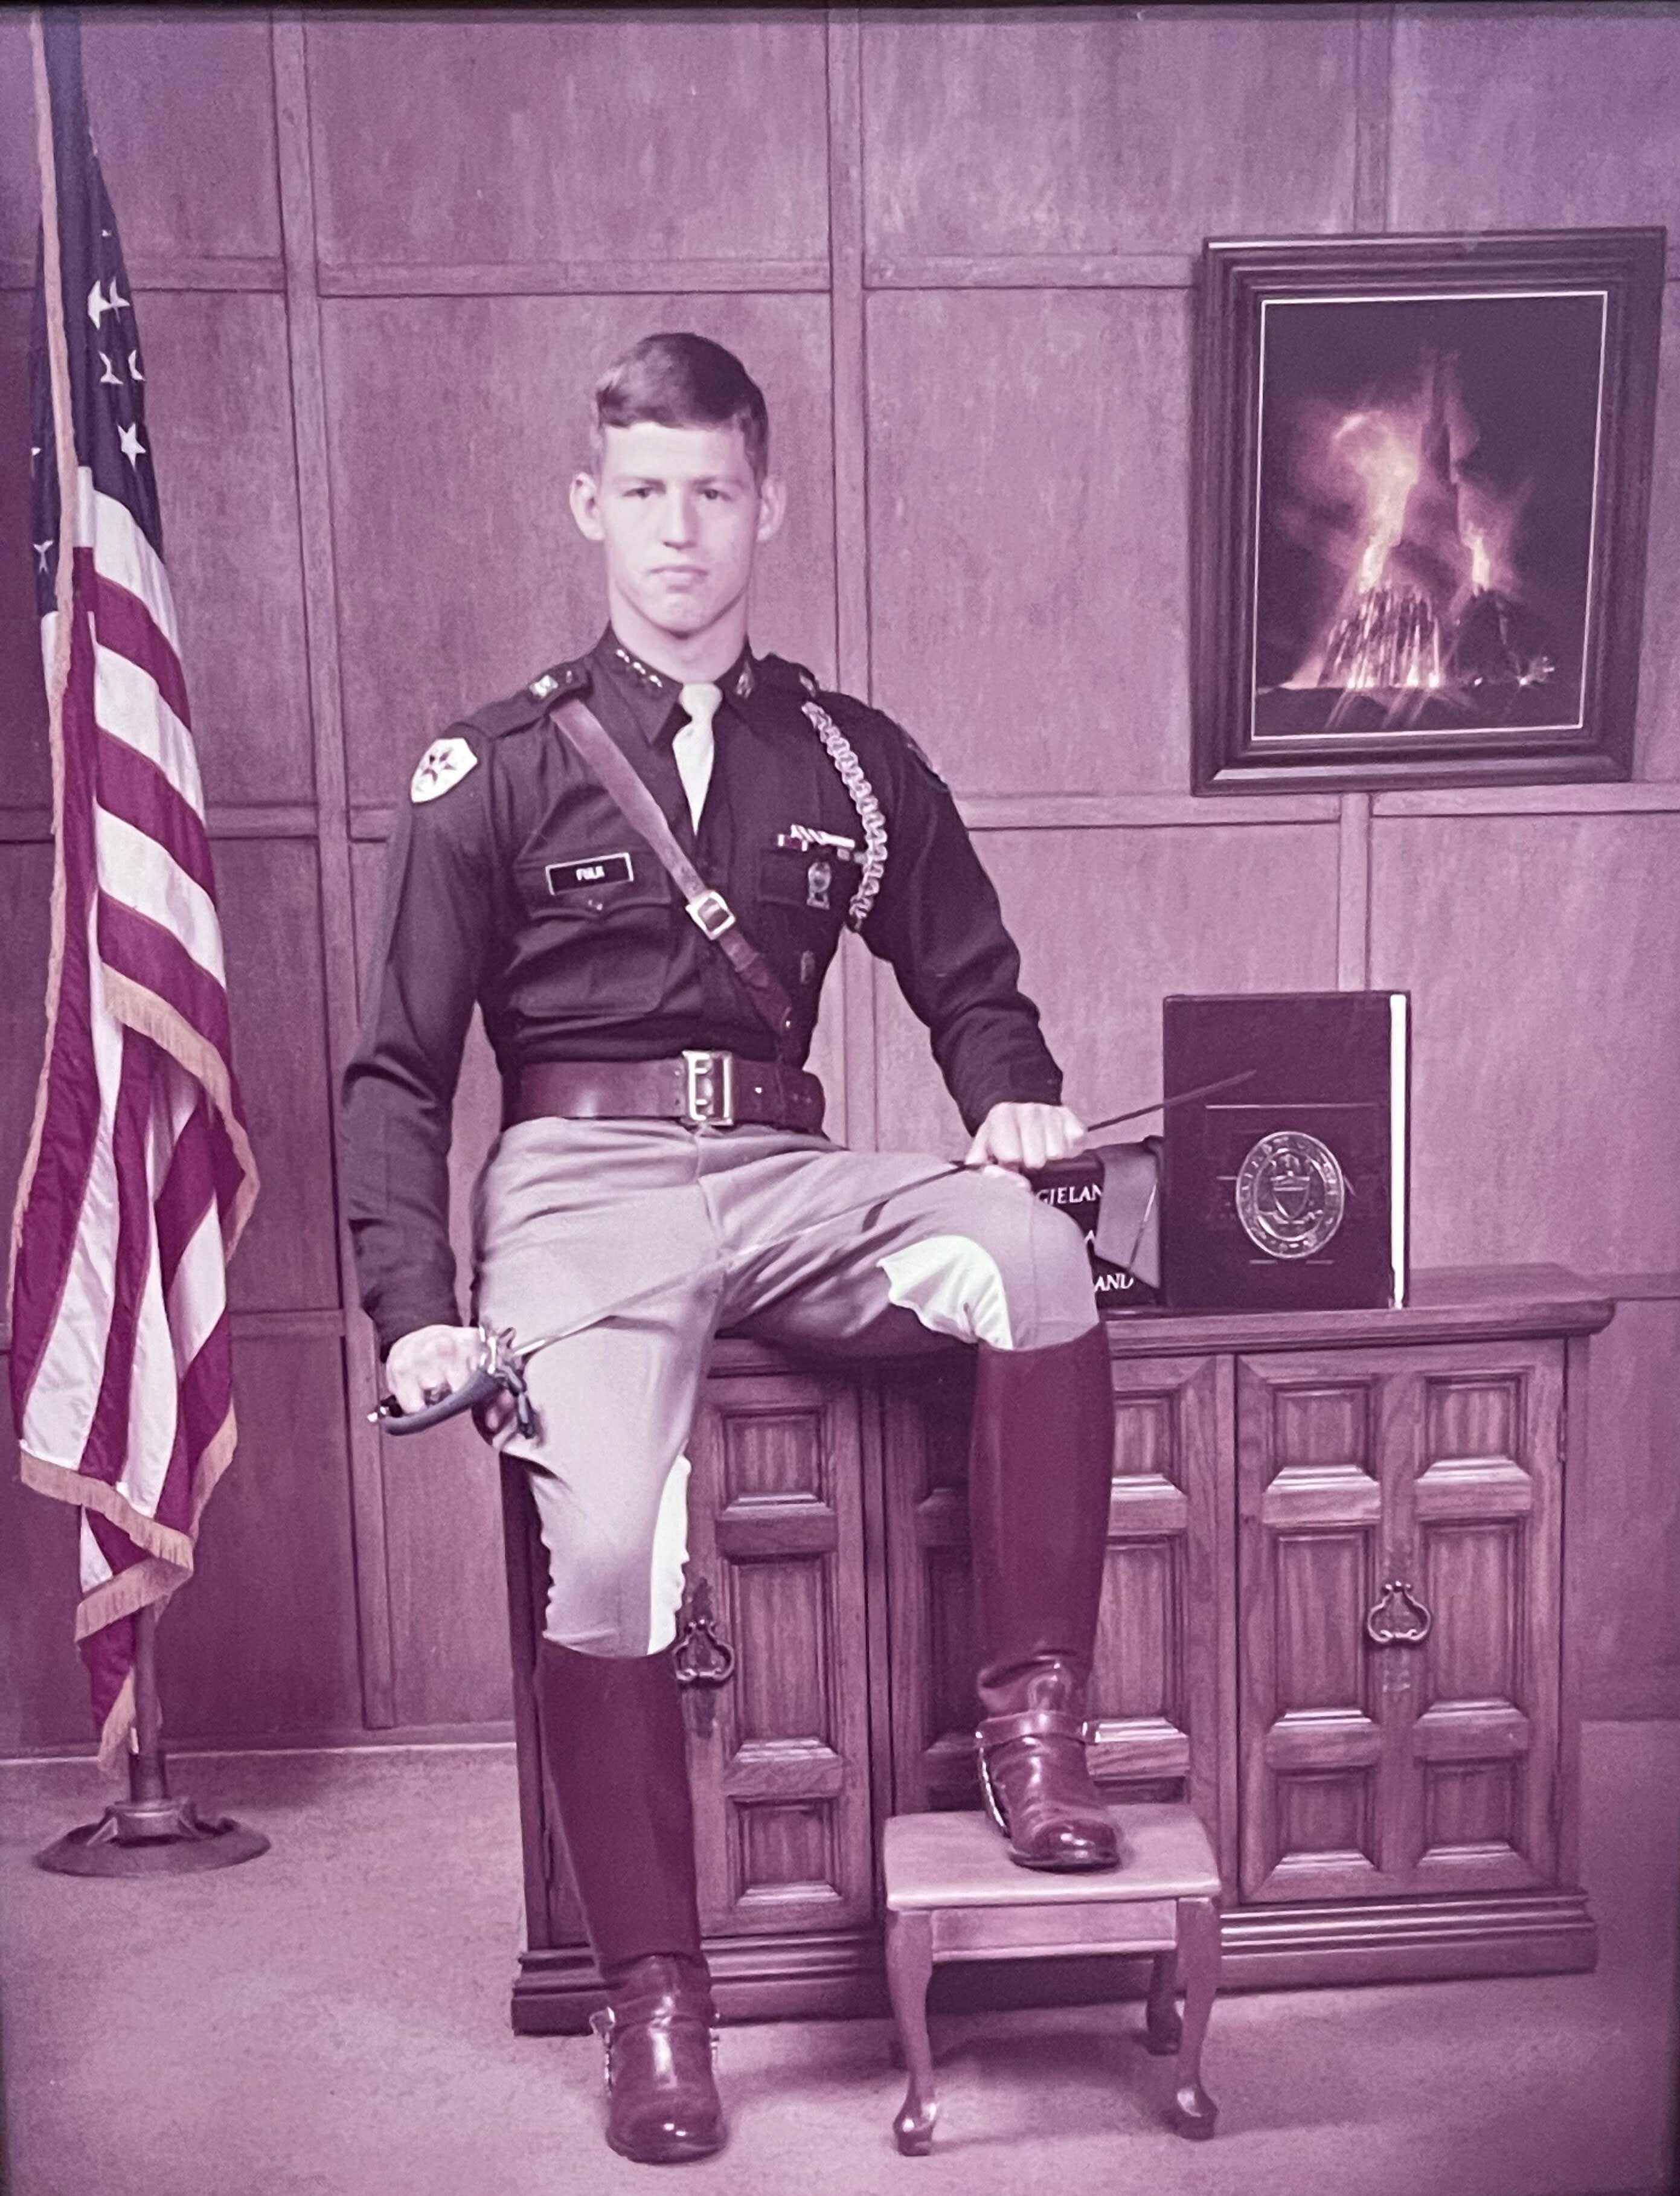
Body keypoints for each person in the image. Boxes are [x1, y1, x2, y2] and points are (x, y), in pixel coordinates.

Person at [341, 333, 1120, 2166]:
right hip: (578, 1183)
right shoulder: (496, 766)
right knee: (602, 1545)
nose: (676, 533)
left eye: (712, 493)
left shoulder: (851, 759)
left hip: (784, 1165)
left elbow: (974, 987)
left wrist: (1013, 1099)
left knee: (1037, 1257)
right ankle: (658, 2002)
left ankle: (1035, 1736)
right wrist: (410, 1312)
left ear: (764, 505)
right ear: (587, 506)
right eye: (642, 494)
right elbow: (394, 1068)